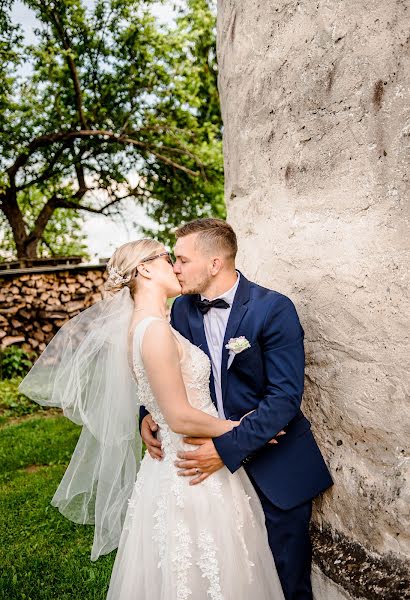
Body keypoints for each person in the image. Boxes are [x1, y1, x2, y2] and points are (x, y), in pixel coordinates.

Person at [19, 237, 285, 600]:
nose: (175, 267)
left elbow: (159, 402)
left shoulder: (146, 326)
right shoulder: (155, 330)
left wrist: (149, 415)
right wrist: (244, 430)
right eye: (167, 258)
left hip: (173, 464)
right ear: (144, 268)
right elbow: (177, 416)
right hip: (191, 467)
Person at [140, 218, 334, 600]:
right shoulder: (180, 310)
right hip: (209, 480)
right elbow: (169, 372)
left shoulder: (273, 309)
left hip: (275, 464)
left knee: (285, 579)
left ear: (214, 263)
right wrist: (146, 413)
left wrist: (225, 449)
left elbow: (283, 400)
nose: (174, 268)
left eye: (181, 259)